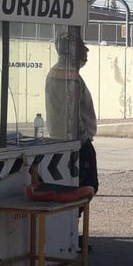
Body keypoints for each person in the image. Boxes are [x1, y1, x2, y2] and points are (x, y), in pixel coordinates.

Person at [45, 29, 98, 192]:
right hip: (75, 144)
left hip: (73, 142)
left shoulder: (66, 72)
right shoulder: (65, 74)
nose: (86, 50)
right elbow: (70, 114)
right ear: (71, 50)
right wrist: (83, 139)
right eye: (82, 46)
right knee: (84, 188)